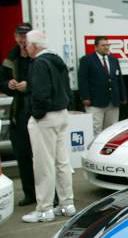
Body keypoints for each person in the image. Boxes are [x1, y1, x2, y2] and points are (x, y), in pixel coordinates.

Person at [22, 30, 75, 223]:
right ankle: (67, 204)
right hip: (61, 114)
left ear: (35, 46)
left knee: (43, 164)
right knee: (62, 163)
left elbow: (41, 93)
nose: (25, 47)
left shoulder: (39, 63)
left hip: (46, 117)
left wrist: (36, 114)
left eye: (27, 44)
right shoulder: (57, 60)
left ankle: (44, 209)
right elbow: (67, 88)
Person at [0, 23, 35, 206]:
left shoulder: (37, 57)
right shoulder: (11, 58)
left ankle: (48, 195)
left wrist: (29, 85)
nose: (23, 39)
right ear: (15, 37)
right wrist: (9, 85)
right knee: (22, 155)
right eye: (20, 35)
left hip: (37, 113)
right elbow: (2, 82)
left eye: (26, 36)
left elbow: (46, 82)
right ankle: (29, 194)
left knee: (41, 157)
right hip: (18, 113)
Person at [78, 36, 127, 136]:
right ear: (95, 47)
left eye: (107, 45)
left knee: (112, 129)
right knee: (96, 129)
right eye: (103, 45)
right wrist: (85, 97)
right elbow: (83, 80)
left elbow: (119, 79)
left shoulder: (113, 60)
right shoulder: (87, 60)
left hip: (113, 101)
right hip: (95, 102)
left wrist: (123, 96)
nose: (106, 47)